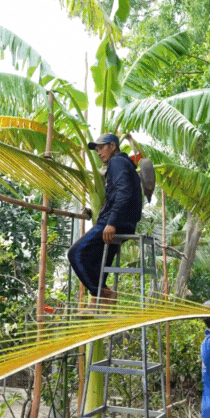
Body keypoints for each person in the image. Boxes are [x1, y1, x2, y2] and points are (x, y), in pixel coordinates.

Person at [67, 133, 142, 310]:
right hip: (127, 223)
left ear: (113, 146)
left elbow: (124, 193)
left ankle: (102, 293)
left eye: (102, 148)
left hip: (114, 222)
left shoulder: (116, 162)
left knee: (75, 254)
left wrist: (111, 222)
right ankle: (101, 297)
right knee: (98, 261)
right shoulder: (125, 164)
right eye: (97, 149)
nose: (99, 152)